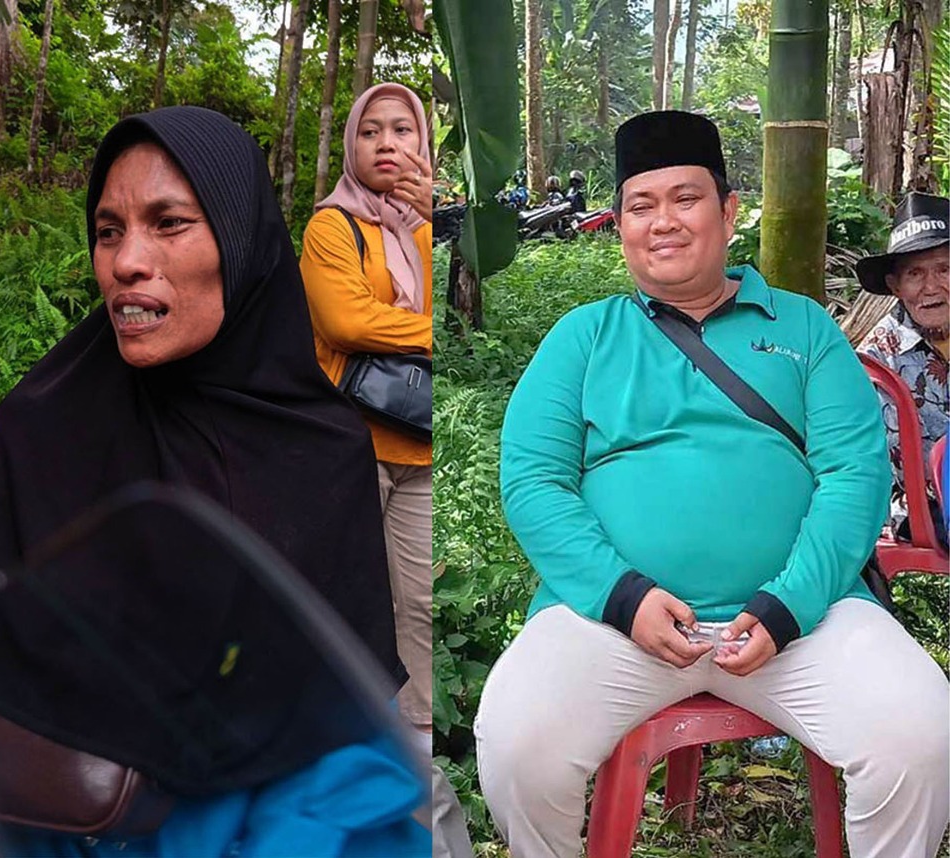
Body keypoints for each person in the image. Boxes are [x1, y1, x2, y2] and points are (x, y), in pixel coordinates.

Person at [0, 106, 426, 857]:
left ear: (241, 245)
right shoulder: (43, 420)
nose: (125, 261)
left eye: (169, 222)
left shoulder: (322, 454)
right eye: (109, 230)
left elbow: (346, 749)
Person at [478, 110, 949, 858]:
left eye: (685, 199)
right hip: (613, 623)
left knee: (922, 733)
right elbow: (534, 481)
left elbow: (854, 477)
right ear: (620, 223)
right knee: (516, 743)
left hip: (803, 620)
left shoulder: (806, 330)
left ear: (728, 212)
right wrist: (622, 597)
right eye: (641, 205)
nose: (663, 221)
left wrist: (788, 604)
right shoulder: (583, 336)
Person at [299, 80, 471, 857]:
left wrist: (438, 224)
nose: (388, 144)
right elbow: (341, 319)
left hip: (420, 448)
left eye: (404, 129)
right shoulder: (332, 226)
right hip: (349, 444)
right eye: (372, 131)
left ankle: (413, 771)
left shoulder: (430, 228)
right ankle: (325, 769)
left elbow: (464, 321)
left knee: (418, 614)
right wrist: (424, 327)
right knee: (339, 607)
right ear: (352, 146)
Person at [855, 192, 949, 535]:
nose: (931, 287)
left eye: (944, 269)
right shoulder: (878, 358)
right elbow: (891, 461)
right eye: (915, 274)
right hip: (926, 506)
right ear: (895, 286)